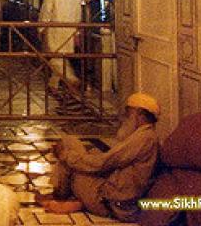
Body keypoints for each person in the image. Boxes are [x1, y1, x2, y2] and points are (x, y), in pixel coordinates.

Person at [43, 92, 160, 221]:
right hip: (109, 194)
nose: (125, 117)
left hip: (109, 203)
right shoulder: (144, 136)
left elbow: (102, 163)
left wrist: (65, 156)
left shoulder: (144, 138)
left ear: (139, 114)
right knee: (70, 143)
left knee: (69, 157)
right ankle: (71, 199)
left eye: (128, 112)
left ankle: (60, 196)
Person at [39, 0, 82, 94]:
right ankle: (54, 84)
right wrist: (77, 31)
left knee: (55, 55)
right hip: (70, 28)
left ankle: (71, 78)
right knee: (61, 56)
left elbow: (47, 9)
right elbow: (78, 12)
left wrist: (40, 27)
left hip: (55, 28)